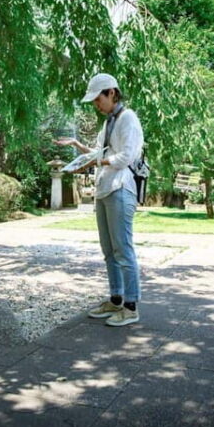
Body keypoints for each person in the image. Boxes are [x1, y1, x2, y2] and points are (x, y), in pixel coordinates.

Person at [55, 73, 144, 327]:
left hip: (120, 187)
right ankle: (116, 299)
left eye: (98, 99)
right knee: (109, 251)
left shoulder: (128, 118)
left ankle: (131, 306)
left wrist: (97, 160)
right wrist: (78, 149)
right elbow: (98, 153)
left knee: (123, 249)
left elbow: (126, 156)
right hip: (104, 188)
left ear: (112, 93)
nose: (96, 104)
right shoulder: (109, 123)